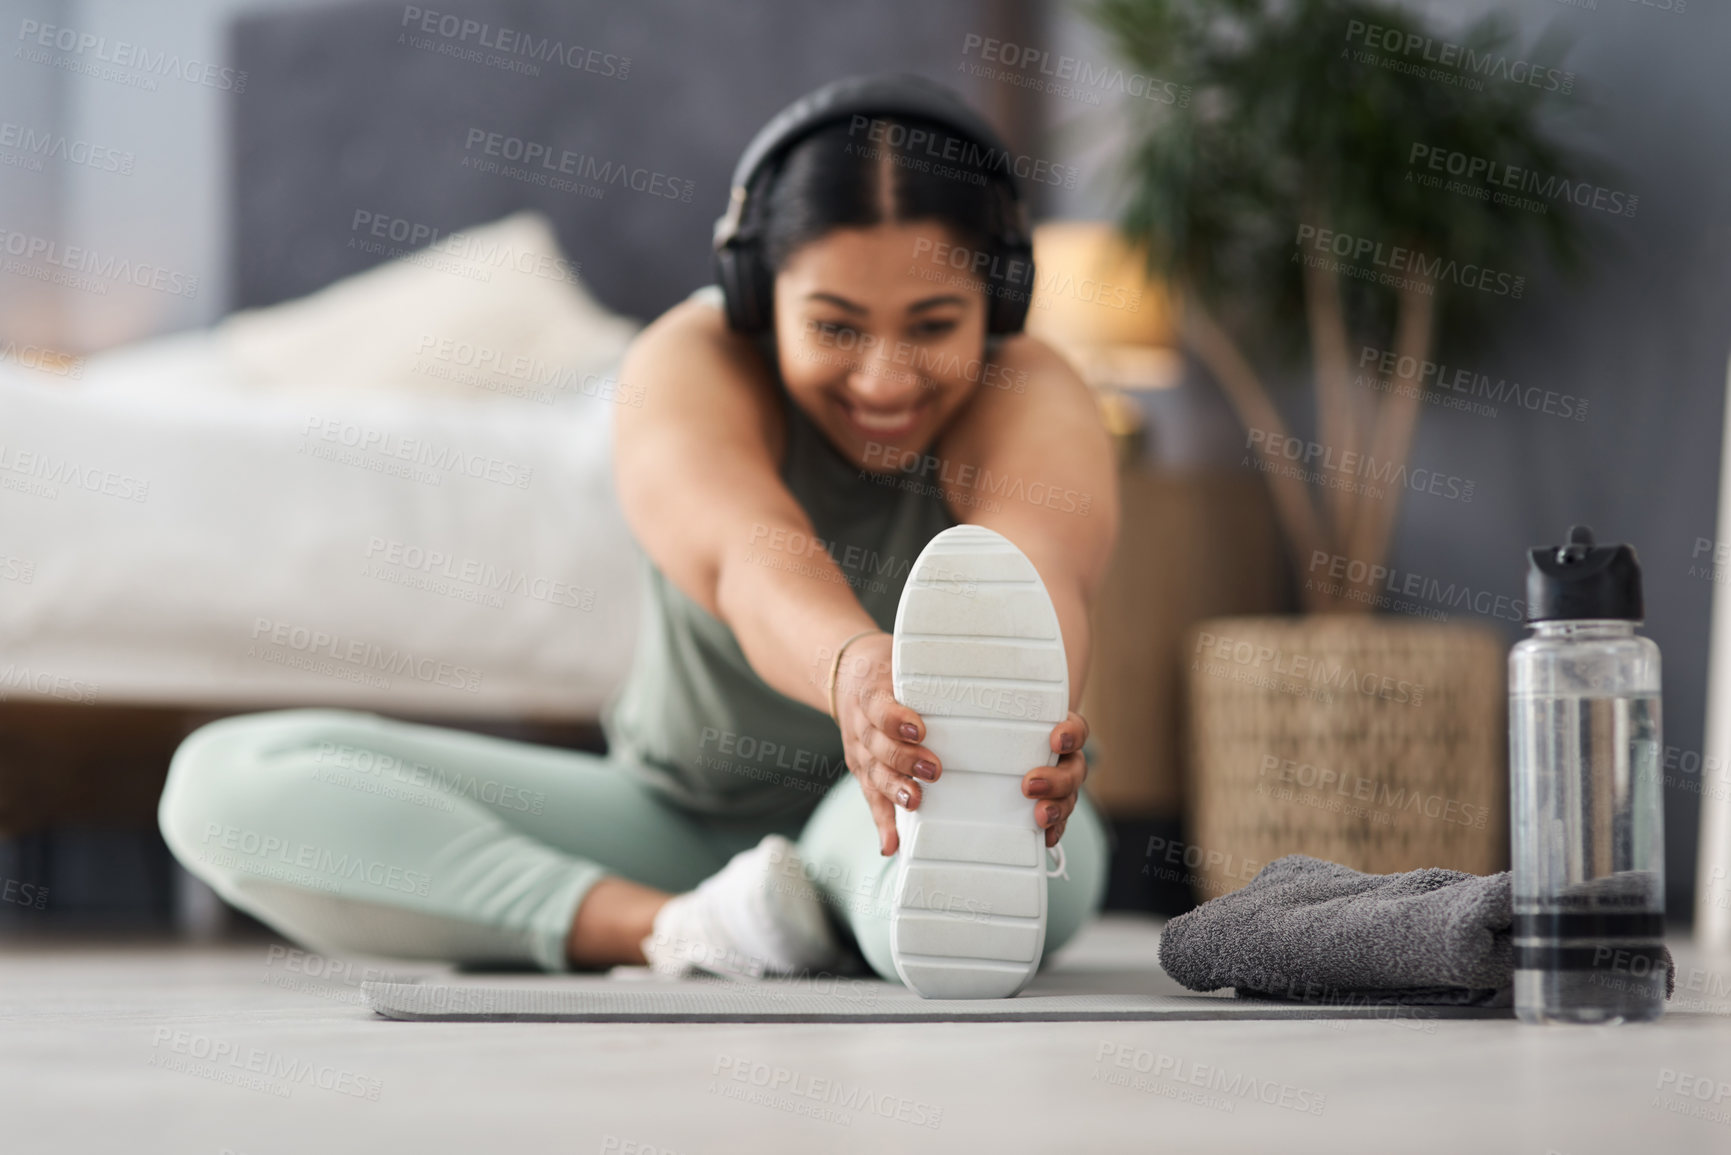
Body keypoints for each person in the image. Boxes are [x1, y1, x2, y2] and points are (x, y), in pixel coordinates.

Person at [157, 74, 1120, 987]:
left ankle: (852, 903)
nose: (883, 376)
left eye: (931, 325)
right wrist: (855, 674)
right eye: (834, 327)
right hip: (671, 818)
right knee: (226, 779)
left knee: (1042, 855)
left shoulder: (1026, 389)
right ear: (756, 294)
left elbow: (1037, 576)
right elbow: (749, 556)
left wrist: (1022, 720)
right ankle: (684, 926)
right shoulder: (688, 362)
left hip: (902, 803)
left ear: (995, 305)